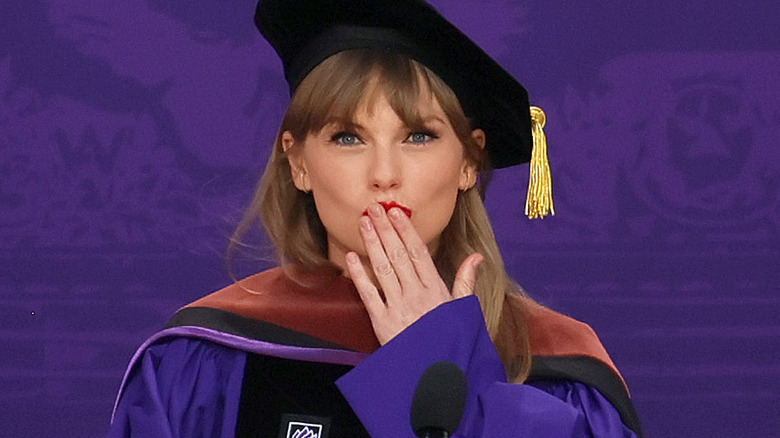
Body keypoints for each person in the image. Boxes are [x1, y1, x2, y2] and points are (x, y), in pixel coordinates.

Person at [108, 0, 642, 436]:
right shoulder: (201, 360)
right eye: (347, 137)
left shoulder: (555, 365)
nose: (384, 174)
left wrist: (439, 367)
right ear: (298, 163)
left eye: (418, 136)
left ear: (468, 161)